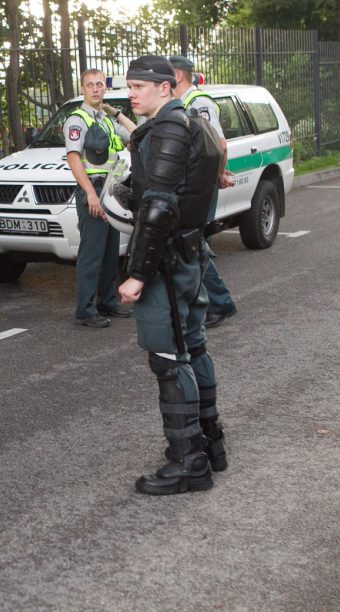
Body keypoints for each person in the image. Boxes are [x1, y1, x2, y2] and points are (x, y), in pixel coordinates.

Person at [117, 56, 229, 495]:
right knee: (194, 346)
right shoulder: (192, 122)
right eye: (129, 86)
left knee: (168, 357)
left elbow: (161, 207)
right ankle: (210, 445)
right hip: (190, 251)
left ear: (165, 88)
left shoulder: (168, 128)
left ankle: (189, 464)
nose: (132, 94)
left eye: (139, 86)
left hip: (169, 259)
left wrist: (137, 274)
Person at [169, 55, 238, 328]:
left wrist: (218, 175)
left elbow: (218, 144)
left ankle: (219, 303)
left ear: (177, 76)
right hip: (193, 184)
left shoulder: (199, 103)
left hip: (199, 185)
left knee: (193, 243)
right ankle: (212, 301)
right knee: (193, 243)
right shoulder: (185, 103)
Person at [64, 69, 136, 328]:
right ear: (83, 89)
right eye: (90, 85)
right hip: (92, 191)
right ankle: (85, 309)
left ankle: (107, 302)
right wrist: (91, 194)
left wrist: (115, 112)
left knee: (109, 252)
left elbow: (136, 134)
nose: (95, 89)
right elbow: (74, 159)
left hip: (111, 191)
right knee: (92, 252)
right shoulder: (77, 120)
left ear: (104, 89)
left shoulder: (106, 120)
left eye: (99, 85)